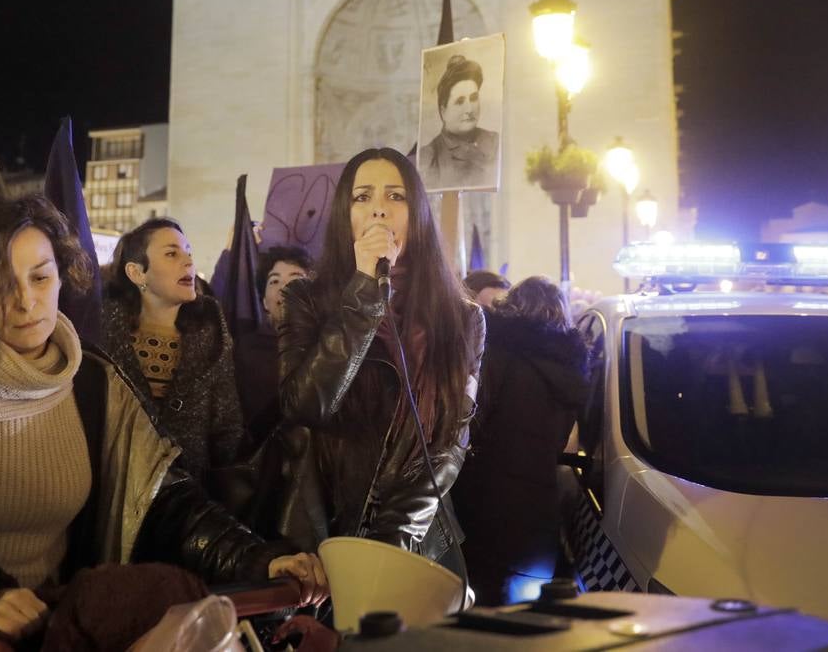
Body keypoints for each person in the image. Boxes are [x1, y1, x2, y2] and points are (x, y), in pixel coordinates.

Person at [0, 194, 324, 651]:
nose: (26, 301)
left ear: (62, 275)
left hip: (65, 634)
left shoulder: (97, 384)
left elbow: (167, 502)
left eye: (40, 275)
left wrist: (257, 561)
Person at [277, 147, 484, 562]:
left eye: (395, 196)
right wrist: (365, 291)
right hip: (324, 537)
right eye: (362, 197)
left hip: (418, 540)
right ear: (344, 215)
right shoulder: (306, 300)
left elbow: (452, 439)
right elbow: (305, 404)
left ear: (418, 214)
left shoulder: (462, 317)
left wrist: (395, 538)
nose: (378, 212)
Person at [451, 276, 589, 605]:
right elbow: (562, 445)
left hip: (483, 509)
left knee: (477, 615)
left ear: (513, 307)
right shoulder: (571, 373)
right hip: (536, 518)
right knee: (521, 619)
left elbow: (468, 423)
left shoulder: (496, 356)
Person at [102, 217, 245, 480]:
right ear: (136, 273)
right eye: (172, 253)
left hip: (190, 495)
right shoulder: (102, 334)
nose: (188, 261)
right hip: (116, 486)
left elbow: (227, 426)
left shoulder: (210, 333)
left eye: (188, 252)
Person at [234, 245, 313, 447]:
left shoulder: (330, 346)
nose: (284, 287)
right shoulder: (245, 351)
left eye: (295, 277)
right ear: (264, 302)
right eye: (274, 280)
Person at [421, 54, 500, 190]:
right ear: (443, 110)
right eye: (460, 101)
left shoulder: (494, 142)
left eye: (474, 98)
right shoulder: (429, 158)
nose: (469, 109)